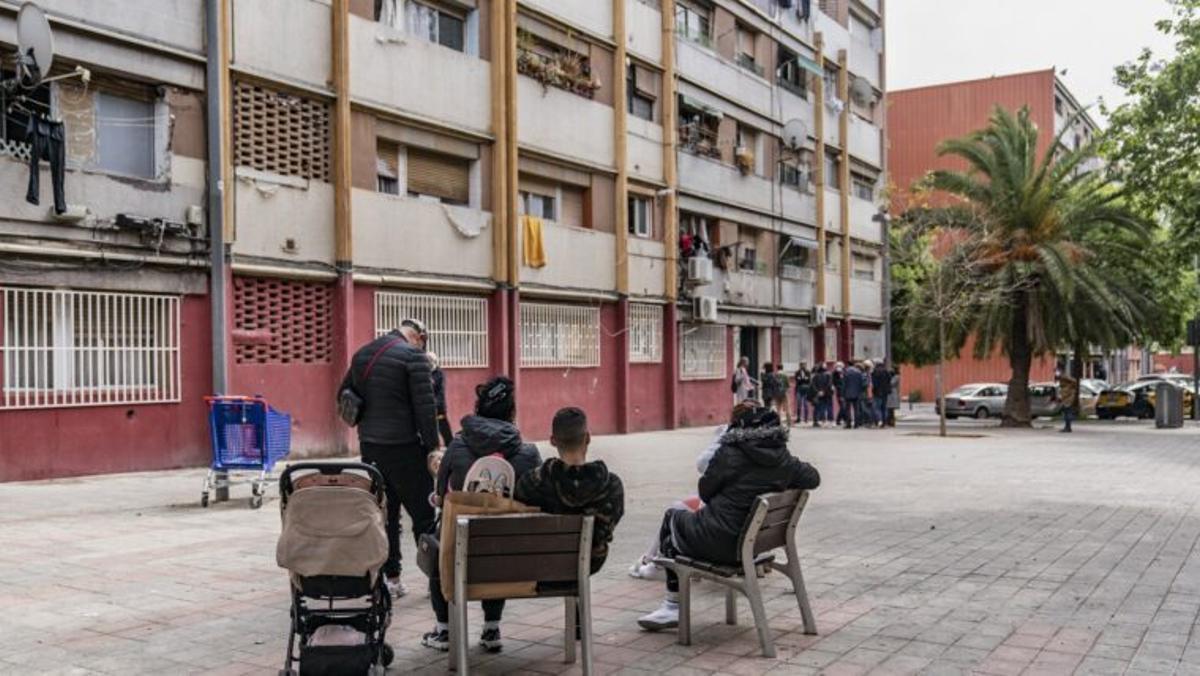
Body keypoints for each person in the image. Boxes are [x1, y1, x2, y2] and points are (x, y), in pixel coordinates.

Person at [636, 406, 821, 631]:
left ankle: (672, 605)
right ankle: (661, 579)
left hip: (720, 540)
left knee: (672, 518)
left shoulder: (730, 453)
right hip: (755, 547)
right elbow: (813, 478)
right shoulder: (784, 460)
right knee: (683, 519)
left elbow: (705, 491)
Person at [424, 377, 542, 653]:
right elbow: (536, 498)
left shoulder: (456, 447)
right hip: (507, 556)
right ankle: (491, 628)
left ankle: (444, 630)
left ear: (478, 408)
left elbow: (441, 496)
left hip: (458, 552)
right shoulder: (529, 453)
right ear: (511, 412)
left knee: (438, 544)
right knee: (498, 534)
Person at [339, 318, 438, 599]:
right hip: (405, 448)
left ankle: (392, 580)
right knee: (423, 514)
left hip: (371, 448)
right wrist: (433, 447)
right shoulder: (413, 357)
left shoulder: (363, 354)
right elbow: (425, 406)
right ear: (418, 336)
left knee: (386, 516)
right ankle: (435, 578)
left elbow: (344, 396)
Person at [516, 407, 625, 577]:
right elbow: (609, 527)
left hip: (540, 561)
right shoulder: (612, 485)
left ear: (552, 440)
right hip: (589, 562)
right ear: (587, 438)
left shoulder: (531, 483)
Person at [429, 352, 454, 448]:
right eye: (428, 361)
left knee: (444, 428)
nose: (429, 363)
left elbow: (441, 392)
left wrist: (435, 404)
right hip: (428, 406)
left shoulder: (439, 373)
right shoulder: (425, 372)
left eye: (431, 361)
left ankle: (450, 446)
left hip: (439, 407)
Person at [843, 361, 864, 429]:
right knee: (856, 409)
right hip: (857, 393)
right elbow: (861, 383)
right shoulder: (859, 372)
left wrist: (843, 393)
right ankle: (856, 424)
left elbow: (844, 384)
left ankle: (848, 423)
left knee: (847, 409)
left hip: (848, 393)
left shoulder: (846, 372)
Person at [811, 363, 833, 427]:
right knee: (827, 406)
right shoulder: (828, 375)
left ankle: (819, 421)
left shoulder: (815, 376)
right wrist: (824, 391)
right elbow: (829, 384)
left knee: (819, 407)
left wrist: (818, 391)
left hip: (818, 394)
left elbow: (813, 385)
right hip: (827, 394)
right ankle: (827, 420)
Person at [870, 360, 891, 428]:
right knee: (884, 407)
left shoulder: (875, 372)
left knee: (876, 407)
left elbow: (874, 383)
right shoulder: (886, 372)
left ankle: (879, 420)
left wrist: (874, 390)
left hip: (877, 392)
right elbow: (889, 381)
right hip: (885, 392)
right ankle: (884, 422)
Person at [832, 362, 847, 426]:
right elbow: (835, 383)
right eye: (838, 366)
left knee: (844, 407)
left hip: (845, 392)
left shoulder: (844, 373)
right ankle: (838, 420)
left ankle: (844, 419)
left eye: (840, 366)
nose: (839, 368)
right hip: (839, 392)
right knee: (842, 406)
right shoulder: (835, 374)